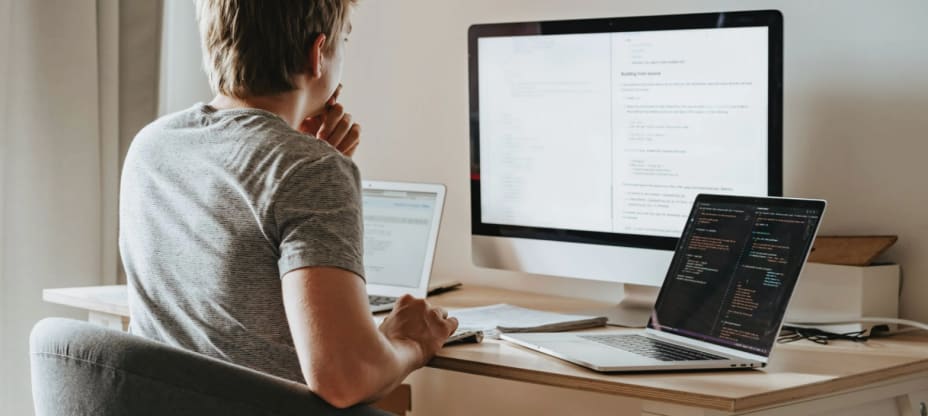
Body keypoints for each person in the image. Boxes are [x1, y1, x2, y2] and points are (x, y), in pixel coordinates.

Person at [118, 0, 458, 408]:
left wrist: (303, 157)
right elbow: (343, 379)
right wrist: (410, 343)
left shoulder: (151, 146)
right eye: (343, 40)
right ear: (318, 54)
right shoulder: (309, 169)